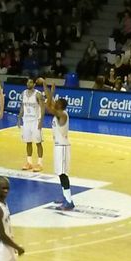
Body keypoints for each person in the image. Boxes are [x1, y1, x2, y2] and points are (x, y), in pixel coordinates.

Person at [43, 80, 74, 210]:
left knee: (63, 174)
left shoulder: (63, 115)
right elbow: (49, 103)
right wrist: (50, 89)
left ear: (60, 106)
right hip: (58, 146)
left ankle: (69, 201)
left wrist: (45, 85)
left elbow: (47, 106)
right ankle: (65, 195)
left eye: (57, 102)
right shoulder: (59, 112)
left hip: (62, 147)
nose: (54, 103)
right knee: (60, 173)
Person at [17, 78, 45, 172]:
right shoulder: (23, 93)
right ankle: (29, 162)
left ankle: (40, 163)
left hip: (35, 121)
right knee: (28, 142)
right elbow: (22, 106)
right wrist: (19, 118)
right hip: (26, 121)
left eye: (31, 82)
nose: (29, 83)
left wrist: (41, 121)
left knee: (38, 142)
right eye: (28, 82)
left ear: (34, 84)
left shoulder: (38, 94)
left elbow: (42, 108)